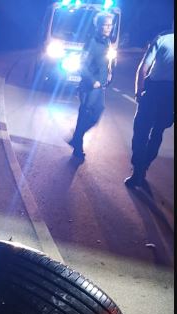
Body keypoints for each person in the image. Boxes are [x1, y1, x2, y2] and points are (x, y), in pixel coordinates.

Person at [124, 27, 174, 188]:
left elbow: (144, 67)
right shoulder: (162, 39)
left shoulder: (162, 39)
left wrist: (139, 91)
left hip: (154, 91)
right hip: (170, 96)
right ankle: (143, 166)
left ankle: (138, 170)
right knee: (157, 133)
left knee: (141, 131)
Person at [68, 12, 114, 160]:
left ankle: (76, 138)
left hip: (100, 85)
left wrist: (109, 72)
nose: (109, 27)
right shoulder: (92, 42)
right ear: (98, 25)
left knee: (96, 112)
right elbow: (82, 65)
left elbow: (105, 61)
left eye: (110, 25)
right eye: (105, 25)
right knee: (87, 114)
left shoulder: (106, 41)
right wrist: (92, 81)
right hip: (91, 86)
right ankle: (77, 146)